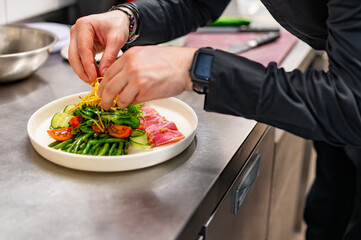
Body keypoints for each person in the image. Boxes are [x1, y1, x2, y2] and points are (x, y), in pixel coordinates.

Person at [68, 0, 361, 239]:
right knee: (327, 213)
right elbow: (197, 3)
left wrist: (196, 66)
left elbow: (351, 105)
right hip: (338, 74)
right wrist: (129, 18)